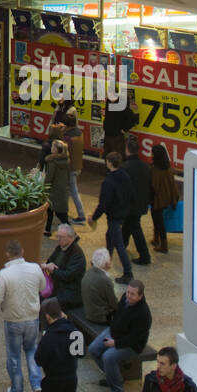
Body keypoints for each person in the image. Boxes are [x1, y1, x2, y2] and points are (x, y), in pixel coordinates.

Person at [0, 238, 46, 392]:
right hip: (33, 318)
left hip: (13, 320)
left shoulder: (5, 274)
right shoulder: (35, 268)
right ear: (22, 252)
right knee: (31, 350)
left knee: (14, 356)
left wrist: (0, 306)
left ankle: (17, 390)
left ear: (7, 254)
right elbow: (42, 287)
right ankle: (37, 384)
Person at [88, 278, 152, 392]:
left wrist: (115, 343)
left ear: (140, 296)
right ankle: (112, 376)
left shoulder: (143, 314)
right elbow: (117, 314)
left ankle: (117, 389)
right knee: (93, 349)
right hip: (114, 333)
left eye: (132, 294)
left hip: (131, 345)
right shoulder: (125, 298)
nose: (128, 296)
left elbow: (134, 338)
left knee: (108, 357)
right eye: (128, 292)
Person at [89, 151, 134, 283]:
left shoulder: (109, 181)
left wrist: (94, 217)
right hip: (123, 213)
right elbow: (130, 193)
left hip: (114, 216)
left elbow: (103, 203)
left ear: (109, 162)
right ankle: (106, 262)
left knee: (119, 244)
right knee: (109, 237)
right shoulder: (125, 175)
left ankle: (128, 272)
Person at [121, 136, 152, 265]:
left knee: (135, 227)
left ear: (127, 150)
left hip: (130, 204)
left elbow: (122, 187)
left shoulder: (125, 167)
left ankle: (145, 256)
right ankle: (122, 243)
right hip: (141, 202)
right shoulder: (145, 166)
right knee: (130, 223)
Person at [42, 224, 86, 311]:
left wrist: (53, 270)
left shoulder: (77, 254)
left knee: (45, 305)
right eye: (57, 236)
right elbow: (50, 260)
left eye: (61, 237)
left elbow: (67, 276)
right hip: (59, 287)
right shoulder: (61, 247)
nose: (58, 239)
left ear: (70, 238)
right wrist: (49, 265)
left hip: (71, 293)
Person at [149, 143, 178, 254]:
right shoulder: (167, 167)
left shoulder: (154, 169)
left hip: (157, 199)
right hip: (166, 198)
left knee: (158, 220)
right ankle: (156, 239)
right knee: (158, 218)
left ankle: (163, 245)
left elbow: (154, 186)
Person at [81, 248, 118, 324]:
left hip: (88, 311)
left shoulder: (88, 272)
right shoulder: (105, 280)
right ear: (107, 264)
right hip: (100, 318)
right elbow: (114, 304)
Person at [62, 109, 86, 223]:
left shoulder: (67, 137)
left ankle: (81, 216)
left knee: (72, 191)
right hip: (78, 165)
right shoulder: (79, 133)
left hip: (69, 167)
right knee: (71, 190)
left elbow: (63, 151)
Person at [44, 140, 71, 236]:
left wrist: (44, 188)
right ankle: (47, 230)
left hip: (54, 190)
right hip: (63, 189)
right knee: (51, 210)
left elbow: (49, 178)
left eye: (52, 146)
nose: (51, 148)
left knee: (59, 214)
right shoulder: (66, 161)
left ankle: (73, 234)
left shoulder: (53, 162)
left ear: (56, 150)